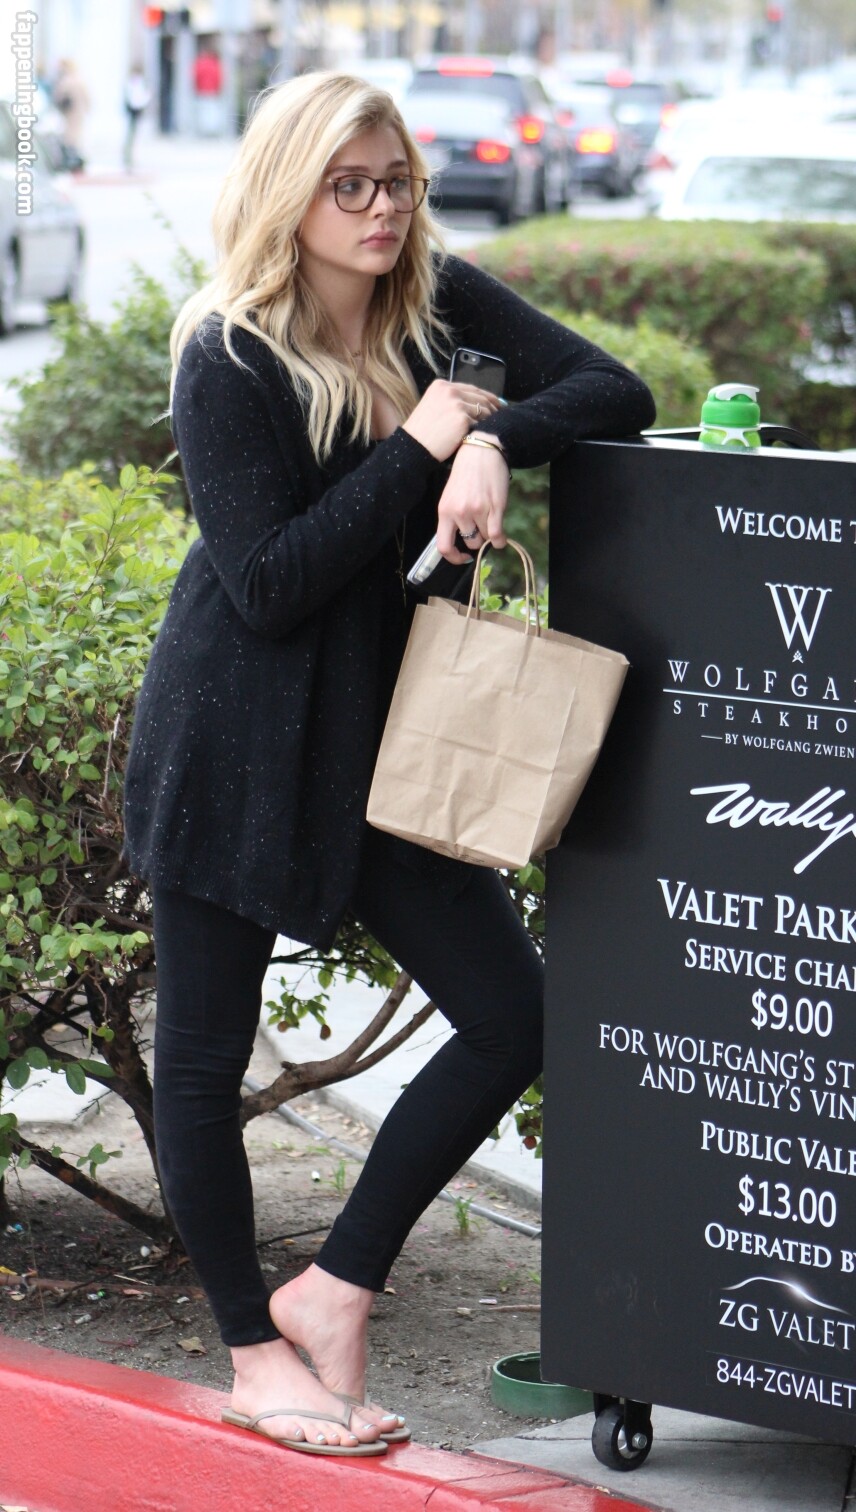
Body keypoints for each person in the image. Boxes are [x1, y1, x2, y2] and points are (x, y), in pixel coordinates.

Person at [121, 70, 655, 1457]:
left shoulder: (438, 305)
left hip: (388, 744)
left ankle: (337, 1288)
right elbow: (269, 584)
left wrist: (495, 438)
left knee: (515, 1016)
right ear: (287, 195)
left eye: (397, 183)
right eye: (347, 186)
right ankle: (253, 1353)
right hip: (238, 741)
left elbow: (618, 388)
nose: (379, 211)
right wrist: (425, 443)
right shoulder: (230, 353)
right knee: (201, 1065)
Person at [51, 58, 90, 170]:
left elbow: (57, 97)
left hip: (69, 113)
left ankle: (72, 160)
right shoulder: (79, 79)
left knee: (69, 138)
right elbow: (87, 98)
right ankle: (76, 159)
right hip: (78, 113)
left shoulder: (65, 81)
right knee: (76, 137)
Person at [123, 65, 152, 173]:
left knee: (133, 135)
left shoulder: (137, 83)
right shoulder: (132, 83)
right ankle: (128, 157)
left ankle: (130, 157)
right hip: (133, 111)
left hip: (136, 111)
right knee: (131, 135)